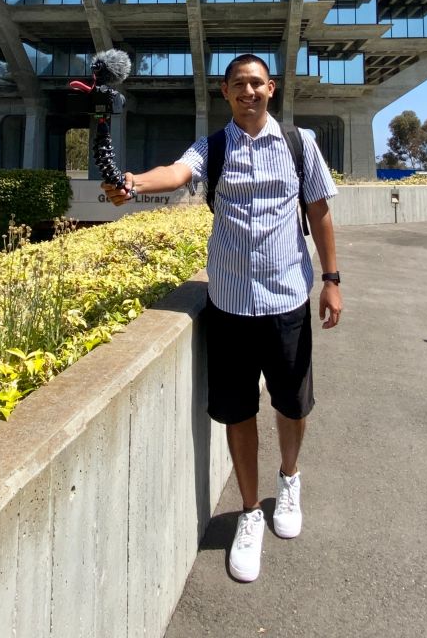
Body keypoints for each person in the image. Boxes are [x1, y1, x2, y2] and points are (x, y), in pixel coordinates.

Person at [103, 53, 342, 582]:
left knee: (292, 403)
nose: (248, 91)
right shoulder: (213, 147)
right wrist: (134, 182)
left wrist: (331, 280)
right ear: (225, 92)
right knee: (237, 411)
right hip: (230, 305)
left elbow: (320, 211)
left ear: (271, 88)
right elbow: (177, 173)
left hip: (286, 300)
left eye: (256, 83)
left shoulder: (300, 144)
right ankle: (250, 512)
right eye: (238, 84)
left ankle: (290, 479)